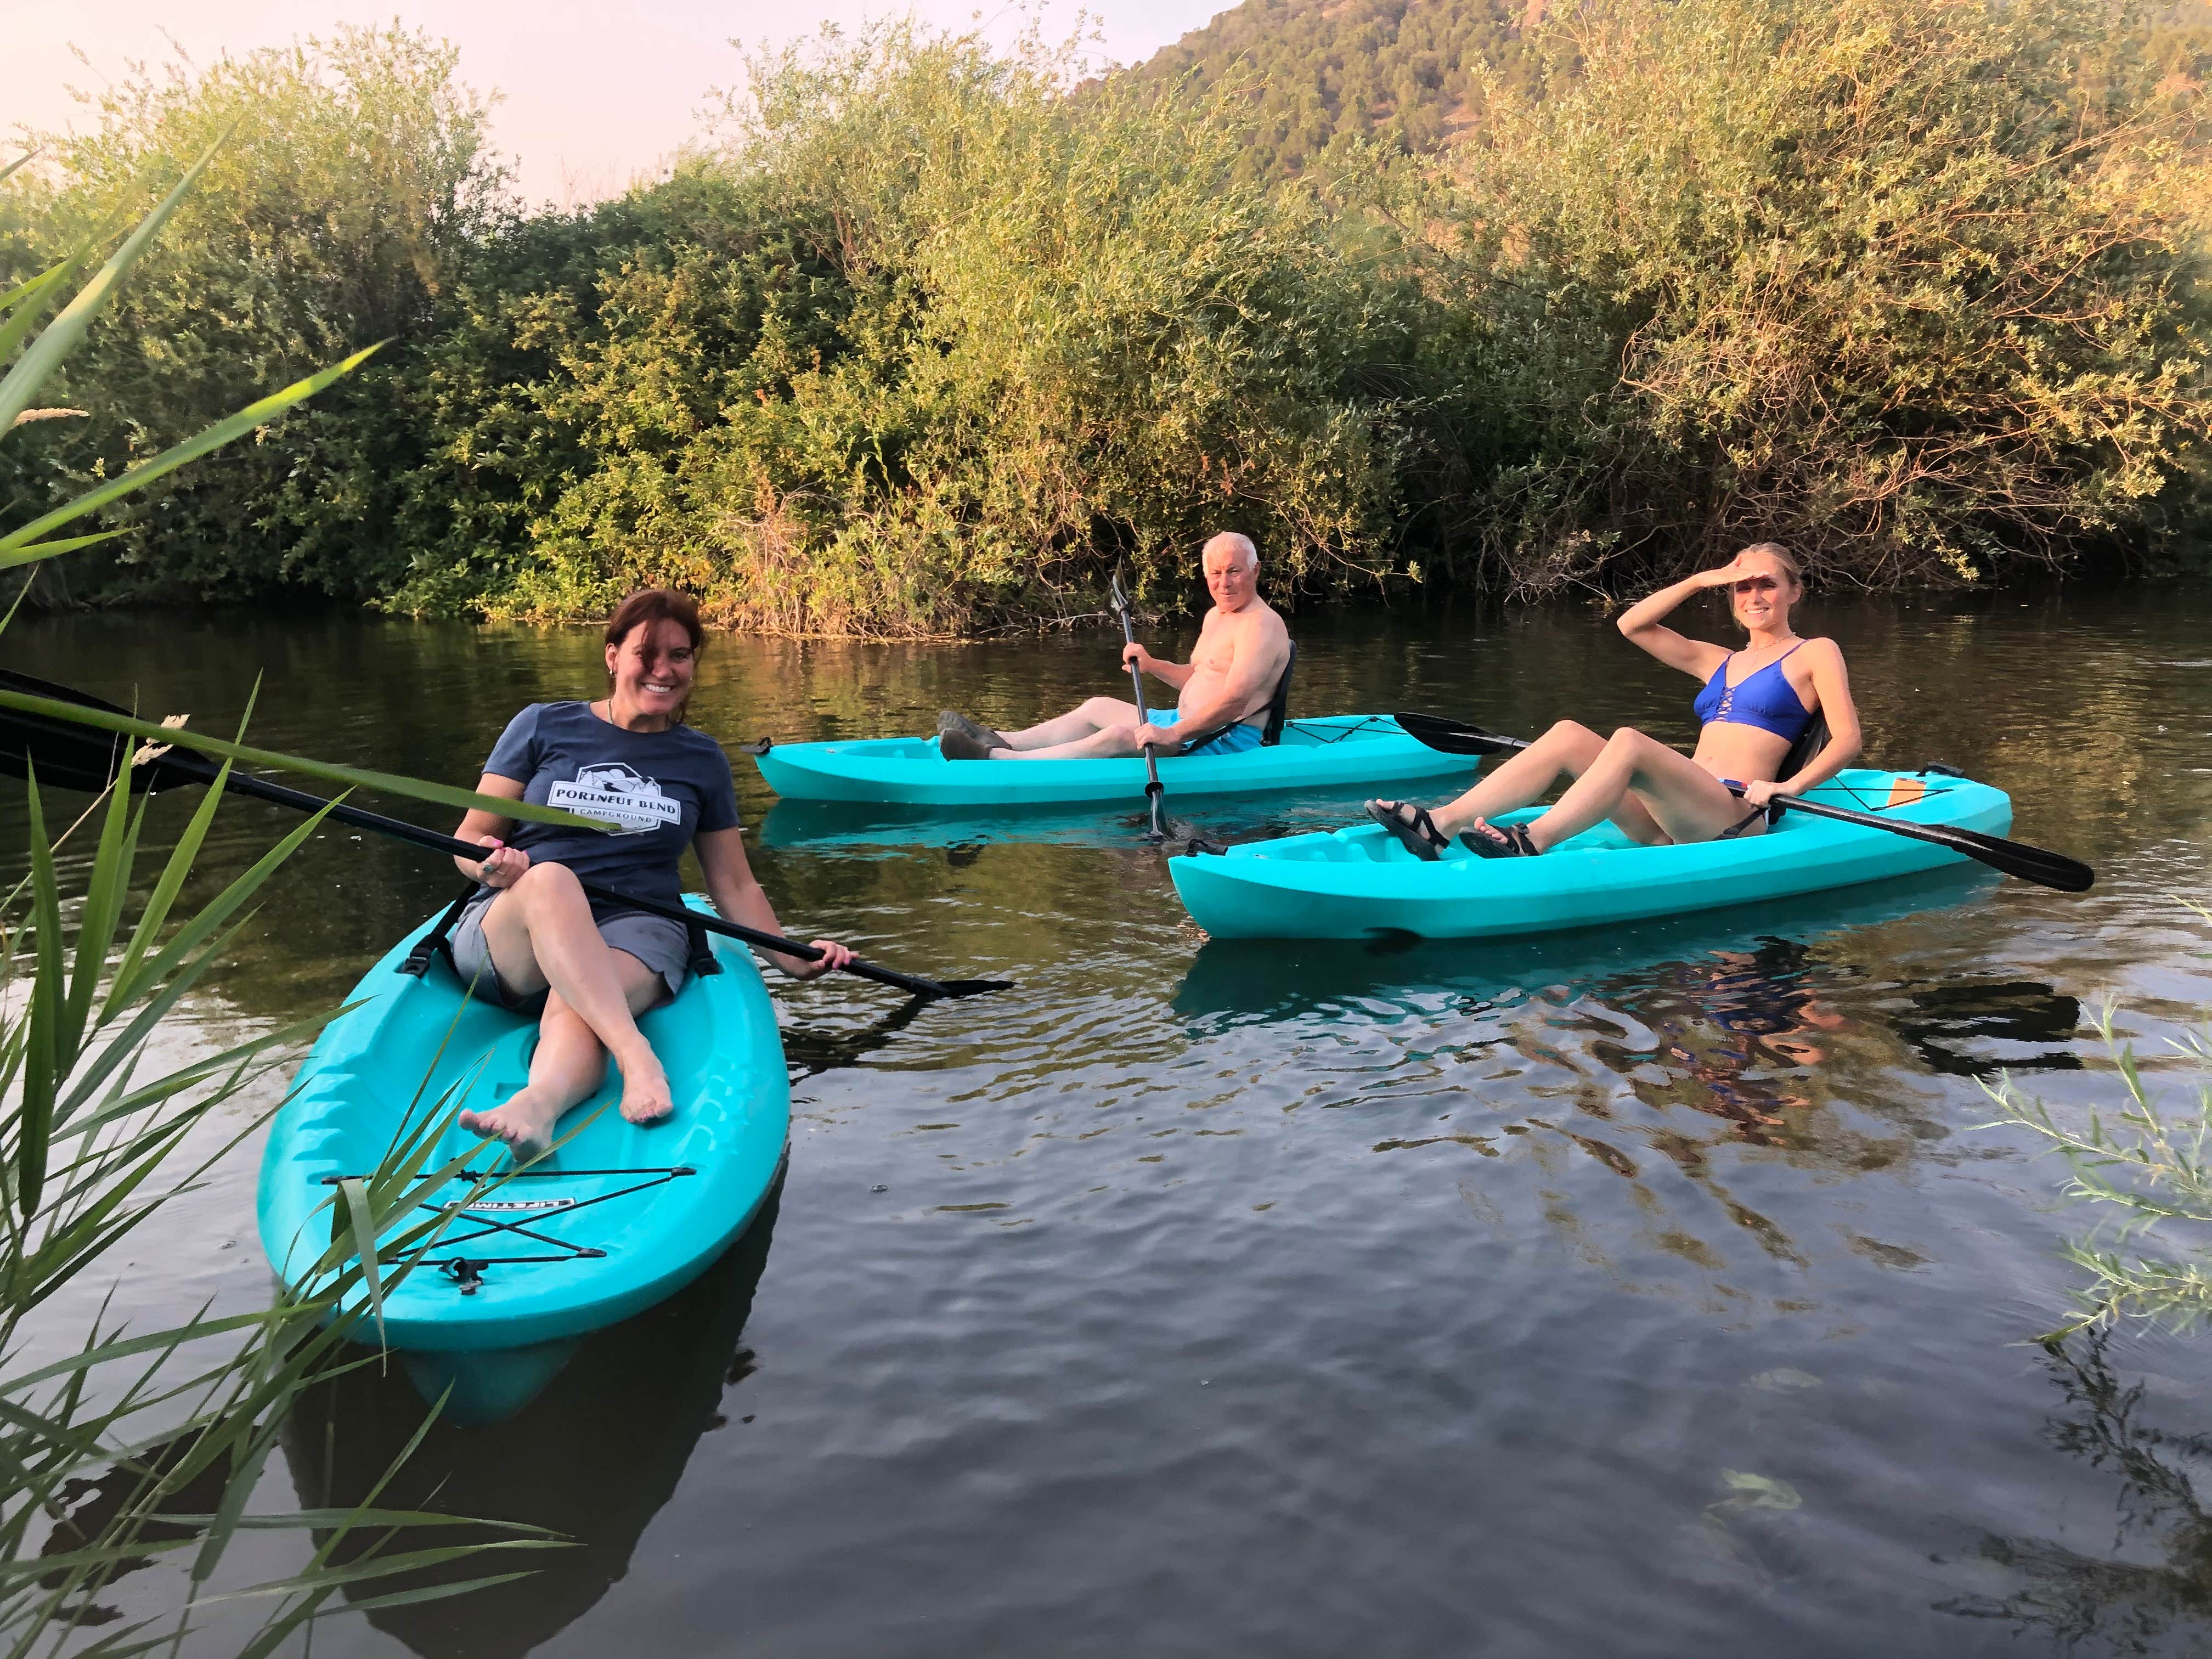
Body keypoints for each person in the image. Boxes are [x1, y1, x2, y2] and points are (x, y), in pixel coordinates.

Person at [448, 588, 853, 1161]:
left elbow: (733, 883)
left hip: (639, 925)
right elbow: (470, 837)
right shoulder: (543, 725)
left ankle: (536, 1108)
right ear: (613, 656)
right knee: (553, 880)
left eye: (680, 656)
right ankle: (636, 1055)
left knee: (581, 995)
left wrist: (791, 958)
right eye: (647, 653)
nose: (664, 670)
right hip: (519, 922)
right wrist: (491, 863)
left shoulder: (701, 759)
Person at [1365, 543, 1861, 859]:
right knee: (1568, 734)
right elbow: (1632, 625)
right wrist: (1698, 580)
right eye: (1742, 586)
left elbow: (1847, 740)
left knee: (1629, 741)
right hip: (1671, 817)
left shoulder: (1815, 652)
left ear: (1794, 592)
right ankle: (1441, 824)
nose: (1753, 596)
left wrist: (1787, 787)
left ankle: (1534, 840)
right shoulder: (1719, 660)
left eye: (1767, 584)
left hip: (1734, 817)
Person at [936, 533, 1293, 760]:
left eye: (1234, 571)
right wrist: (1152, 665)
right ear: (1206, 575)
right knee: (1097, 706)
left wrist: (1171, 734)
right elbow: (1199, 677)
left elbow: (1234, 702)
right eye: (1216, 573)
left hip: (1221, 741)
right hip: (1184, 723)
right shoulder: (1218, 615)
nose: (1224, 582)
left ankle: (998, 760)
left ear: (1255, 570)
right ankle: (1001, 739)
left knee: (1122, 736)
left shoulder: (1261, 625)